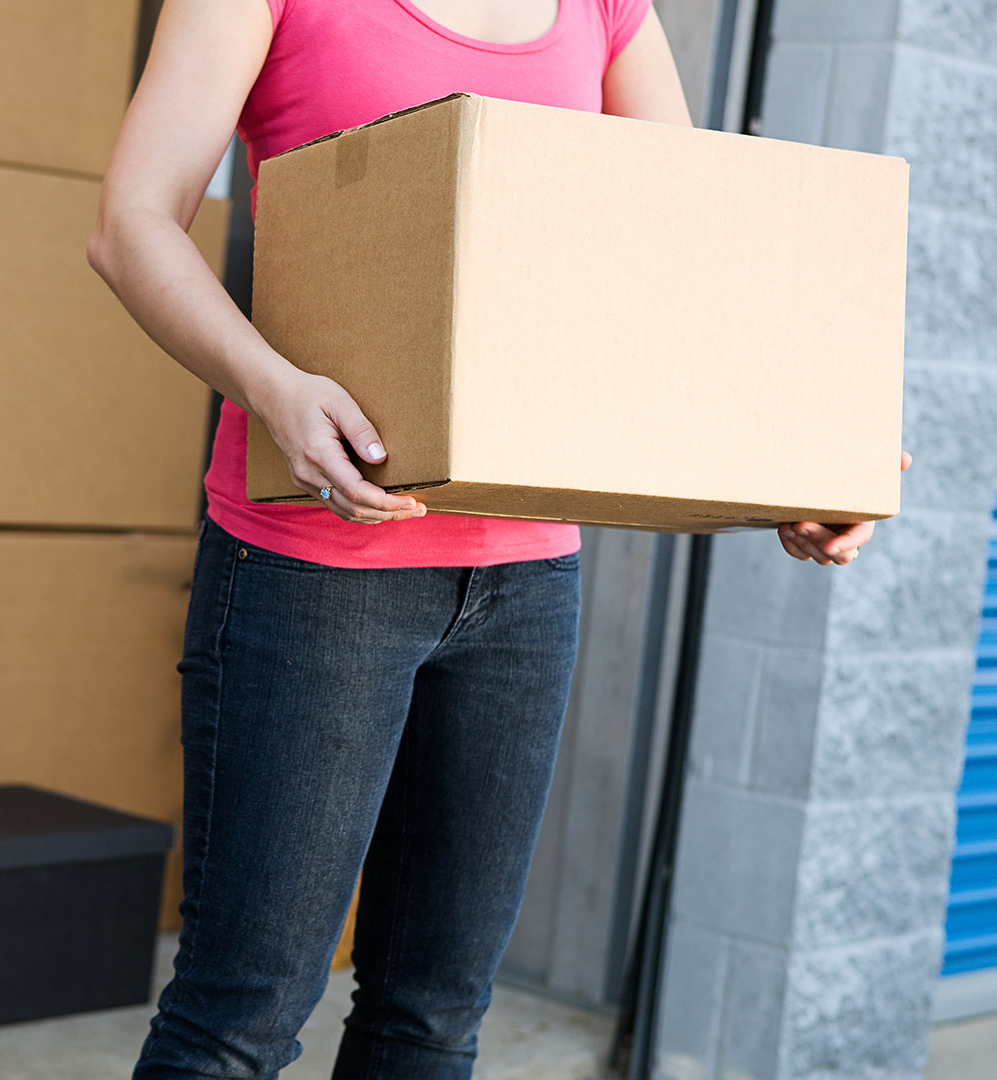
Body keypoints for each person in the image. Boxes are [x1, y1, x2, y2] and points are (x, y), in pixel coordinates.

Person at [87, 2, 911, 1077]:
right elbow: (132, 221)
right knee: (242, 1017)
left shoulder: (607, 8)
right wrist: (271, 387)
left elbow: (688, 258)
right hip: (316, 568)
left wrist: (797, 467)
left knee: (431, 1018)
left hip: (523, 588)